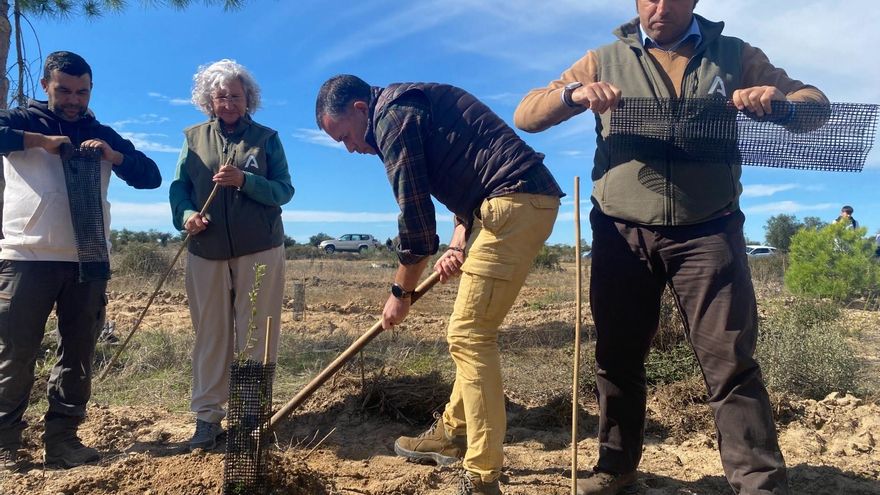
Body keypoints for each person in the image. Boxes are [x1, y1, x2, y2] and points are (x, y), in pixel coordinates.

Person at [515, 1, 829, 494]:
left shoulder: (736, 55)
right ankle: (616, 469)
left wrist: (781, 102)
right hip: (621, 233)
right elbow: (527, 114)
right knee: (616, 356)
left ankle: (759, 485)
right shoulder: (604, 57)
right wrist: (575, 94)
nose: (658, 8)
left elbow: (816, 106)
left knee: (730, 361)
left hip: (710, 230)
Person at [315, 75, 563, 495]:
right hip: (508, 204)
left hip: (513, 203)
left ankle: (482, 474)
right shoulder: (409, 106)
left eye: (345, 137)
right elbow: (466, 170)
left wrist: (400, 294)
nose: (351, 149)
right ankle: (452, 432)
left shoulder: (392, 116)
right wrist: (458, 242)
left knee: (469, 335)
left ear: (360, 109)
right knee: (471, 333)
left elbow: (415, 223)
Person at [0, 51, 161, 471]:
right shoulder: (22, 120)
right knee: (15, 352)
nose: (74, 99)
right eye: (64, 90)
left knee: (79, 355)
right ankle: (3, 445)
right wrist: (38, 142)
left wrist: (114, 155)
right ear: (45, 85)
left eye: (82, 91)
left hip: (89, 260)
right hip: (27, 257)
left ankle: (63, 443)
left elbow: (151, 176)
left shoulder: (101, 132)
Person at [169, 59, 294, 451]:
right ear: (209, 99)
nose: (228, 103)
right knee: (211, 334)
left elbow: (284, 190)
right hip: (206, 251)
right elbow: (179, 189)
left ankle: (252, 416)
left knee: (257, 330)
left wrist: (246, 181)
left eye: (236, 96)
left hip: (260, 249)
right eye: (221, 96)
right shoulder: (193, 138)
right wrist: (187, 215)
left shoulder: (267, 138)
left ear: (248, 98)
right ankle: (207, 419)